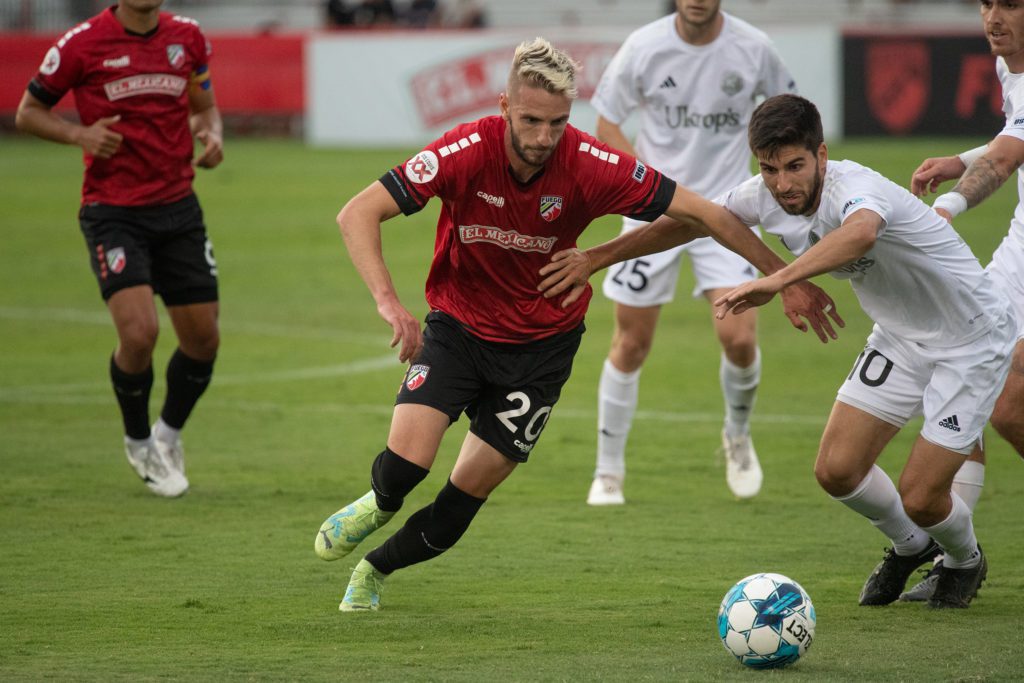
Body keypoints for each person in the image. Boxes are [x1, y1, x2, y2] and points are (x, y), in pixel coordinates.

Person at [312, 39, 835, 612]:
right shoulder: (464, 149)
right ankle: (380, 504)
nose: (542, 138)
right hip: (458, 330)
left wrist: (787, 279)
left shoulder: (589, 162)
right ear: (505, 104)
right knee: (405, 468)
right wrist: (390, 303)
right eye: (531, 120)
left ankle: (372, 570)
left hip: (540, 352)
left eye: (557, 123)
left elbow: (707, 214)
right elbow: (357, 211)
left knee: (463, 500)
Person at [539, 94, 1015, 609]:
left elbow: (859, 236)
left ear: (822, 155)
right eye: (769, 169)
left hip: (972, 336)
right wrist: (597, 256)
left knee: (921, 497)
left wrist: (781, 279)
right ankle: (910, 546)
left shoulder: (856, 189)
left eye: (795, 166)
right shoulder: (762, 193)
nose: (783, 183)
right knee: (836, 471)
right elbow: (693, 221)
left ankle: (965, 562)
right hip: (902, 335)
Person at [585, 0, 798, 506]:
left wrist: (775, 175)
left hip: (727, 213)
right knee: (631, 342)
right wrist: (645, 183)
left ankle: (738, 436)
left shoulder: (753, 47)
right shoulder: (644, 46)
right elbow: (607, 124)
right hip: (653, 211)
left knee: (739, 339)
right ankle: (608, 470)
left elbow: (794, 117)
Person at [15, 0, 224, 498]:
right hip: (113, 212)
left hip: (179, 209)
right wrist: (77, 134)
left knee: (203, 341)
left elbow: (203, 104)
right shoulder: (81, 44)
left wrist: (210, 133)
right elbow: (27, 112)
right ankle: (138, 442)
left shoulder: (188, 37)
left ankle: (167, 436)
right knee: (140, 333)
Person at [900, 0, 1024, 601]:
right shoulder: (1011, 66)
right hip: (1020, 252)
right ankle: (957, 561)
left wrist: (946, 206)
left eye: (1013, 5)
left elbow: (1005, 160)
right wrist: (959, 160)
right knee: (961, 361)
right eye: (987, 3)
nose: (995, 17)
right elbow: (1009, 138)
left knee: (1008, 406)